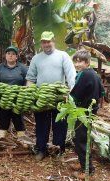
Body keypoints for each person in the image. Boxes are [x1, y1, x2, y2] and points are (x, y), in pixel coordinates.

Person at [26, 31, 76, 161]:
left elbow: (71, 75)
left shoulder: (62, 56)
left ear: (53, 41)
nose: (46, 44)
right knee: (41, 124)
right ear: (41, 43)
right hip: (42, 97)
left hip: (59, 96)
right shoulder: (36, 58)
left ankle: (58, 150)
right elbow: (30, 78)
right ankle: (41, 149)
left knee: (60, 124)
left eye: (48, 41)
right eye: (44, 42)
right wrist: (31, 93)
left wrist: (71, 91)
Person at [70, 49, 105, 179]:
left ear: (88, 62)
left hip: (84, 111)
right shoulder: (94, 74)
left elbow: (76, 94)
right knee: (82, 138)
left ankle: (87, 170)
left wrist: (68, 98)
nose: (78, 64)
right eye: (76, 61)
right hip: (92, 111)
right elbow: (102, 93)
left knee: (81, 139)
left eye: (81, 62)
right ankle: (82, 163)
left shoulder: (85, 75)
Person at [0, 46, 30, 142]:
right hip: (3, 99)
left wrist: (25, 92)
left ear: (16, 57)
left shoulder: (22, 68)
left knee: (18, 118)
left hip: (18, 98)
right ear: (5, 55)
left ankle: (21, 139)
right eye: (8, 53)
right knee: (2, 117)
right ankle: (2, 138)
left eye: (13, 54)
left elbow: (28, 81)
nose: (11, 56)